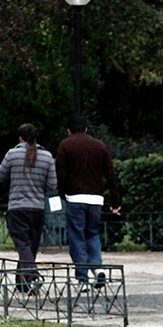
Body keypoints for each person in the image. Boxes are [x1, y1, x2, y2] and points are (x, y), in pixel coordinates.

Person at [54, 114, 121, 289]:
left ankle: (82, 278)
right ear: (86, 128)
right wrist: (115, 200)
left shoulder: (65, 146)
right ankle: (98, 268)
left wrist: (63, 193)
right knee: (92, 234)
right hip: (96, 199)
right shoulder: (100, 146)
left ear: (68, 130)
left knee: (77, 236)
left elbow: (61, 173)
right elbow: (111, 175)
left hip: (75, 197)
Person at [0, 123, 57, 292]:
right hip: (37, 208)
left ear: (20, 138)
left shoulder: (12, 154)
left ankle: (32, 274)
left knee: (23, 246)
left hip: (17, 207)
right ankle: (22, 284)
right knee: (30, 247)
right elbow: (52, 185)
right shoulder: (47, 157)